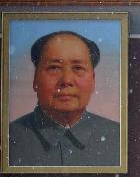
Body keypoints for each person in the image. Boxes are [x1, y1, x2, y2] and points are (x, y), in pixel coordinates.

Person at [9, 30, 120, 167]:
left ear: (93, 80)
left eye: (78, 68)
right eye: (54, 68)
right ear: (35, 80)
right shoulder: (9, 137)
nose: (66, 80)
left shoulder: (119, 138)